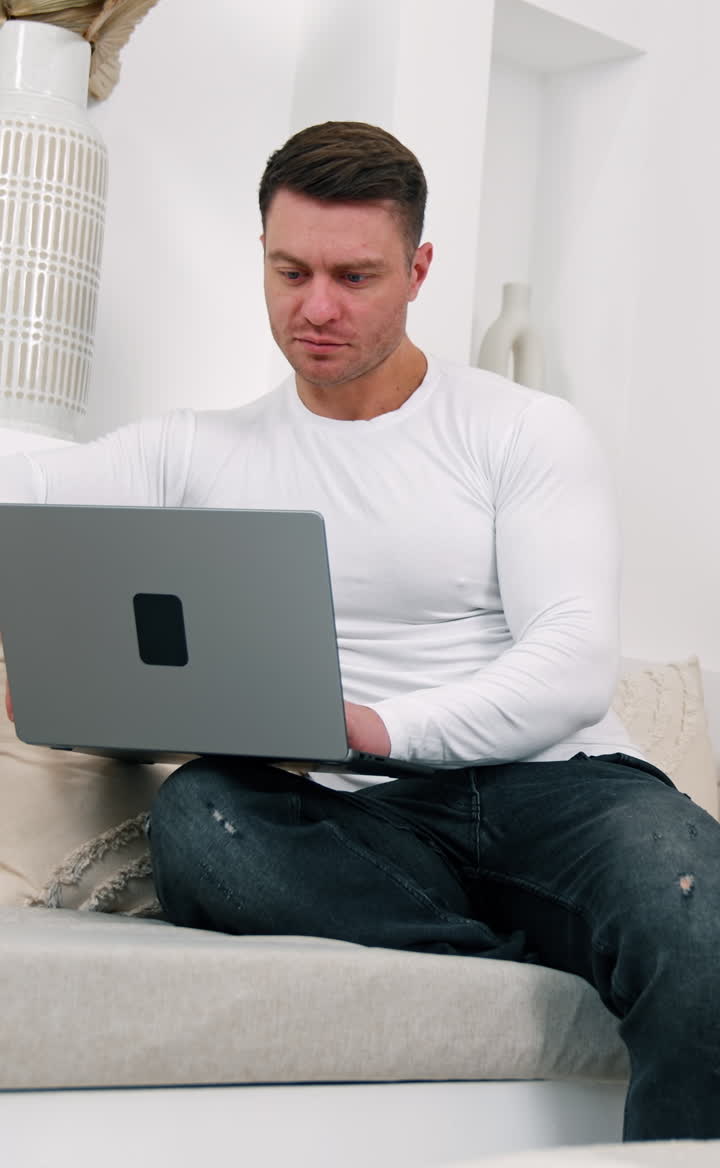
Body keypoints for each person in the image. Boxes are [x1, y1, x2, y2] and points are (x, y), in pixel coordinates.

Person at [2, 122, 719, 1141]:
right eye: (290, 270)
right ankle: (528, 943)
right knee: (199, 818)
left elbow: (566, 666)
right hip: (355, 827)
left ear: (419, 269)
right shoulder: (195, 450)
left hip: (559, 787)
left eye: (355, 274)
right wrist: (62, 674)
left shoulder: (520, 429)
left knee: (693, 890)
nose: (318, 307)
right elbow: (19, 492)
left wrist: (368, 725)